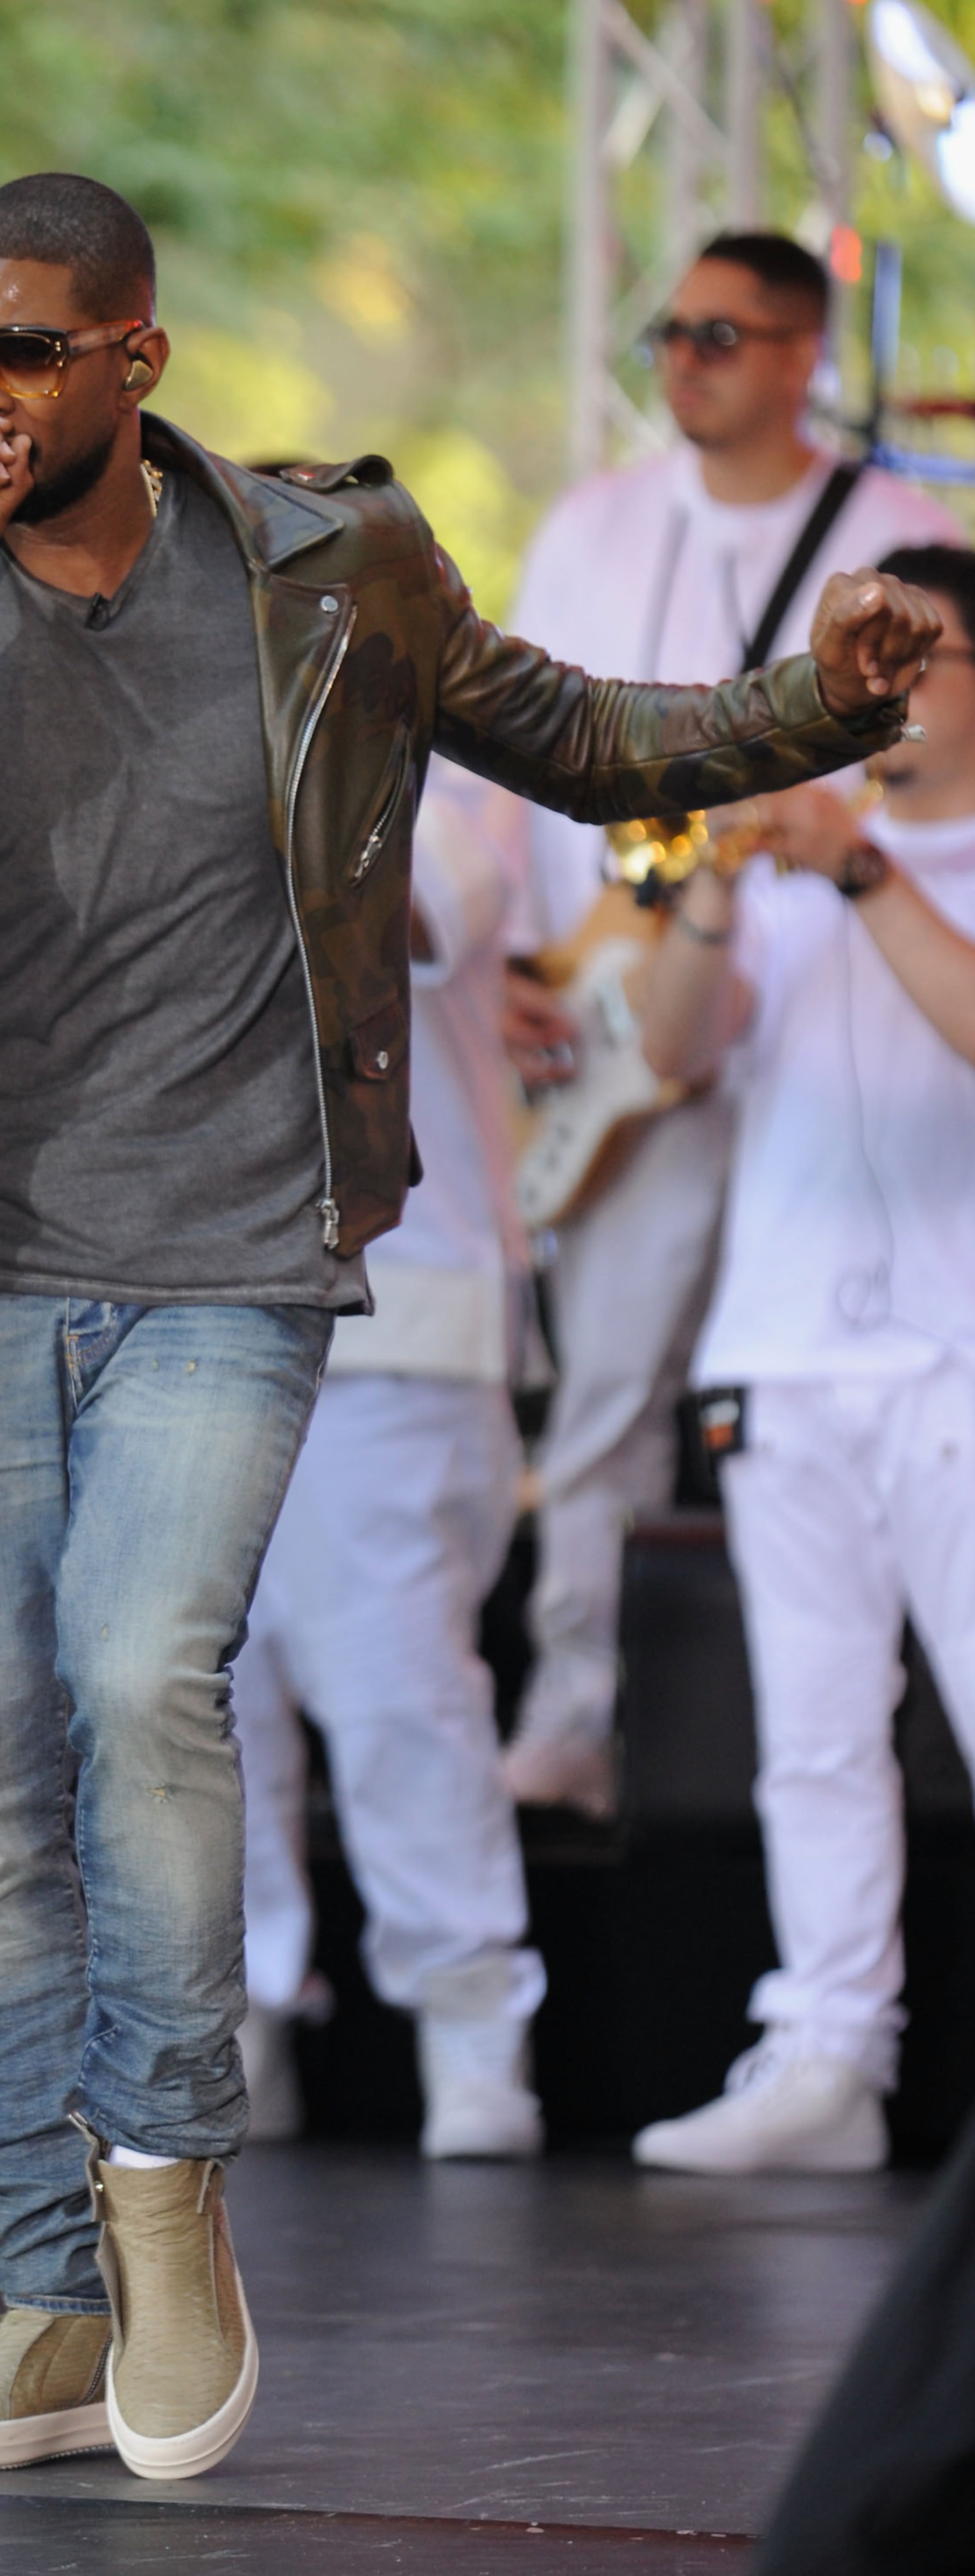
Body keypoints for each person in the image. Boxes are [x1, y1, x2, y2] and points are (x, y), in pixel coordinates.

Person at [0, 169, 935, 2479]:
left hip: (233, 1244)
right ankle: (43, 2291)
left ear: (134, 360)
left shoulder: (326, 565)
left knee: (143, 1673)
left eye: (23, 350)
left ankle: (167, 2194)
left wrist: (818, 704)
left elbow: (584, 737)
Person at [498, 232, 960, 1821]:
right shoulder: (591, 523)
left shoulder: (897, 538)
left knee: (877, 1392)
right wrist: (514, 965)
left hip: (840, 1014)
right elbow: (503, 762)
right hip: (631, 1005)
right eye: (669, 332)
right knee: (609, 1389)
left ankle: (905, 1735)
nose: (683, 360)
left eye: (720, 334)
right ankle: (573, 1708)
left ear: (798, 354)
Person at [631, 543, 975, 2174]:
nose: (887, 693)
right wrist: (715, 877)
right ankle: (828, 2052)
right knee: (813, 1740)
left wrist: (858, 868)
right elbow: (668, 1048)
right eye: (867, 663)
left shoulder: (882, 858)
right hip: (779, 1348)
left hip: (954, 1356)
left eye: (919, 661)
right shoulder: (789, 855)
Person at [233, 760, 544, 2159]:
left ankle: (471, 2026)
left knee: (396, 1697)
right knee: (195, 1702)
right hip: (189, 1303)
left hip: (398, 1315)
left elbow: (412, 914)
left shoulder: (440, 755)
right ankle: (231, 2018)